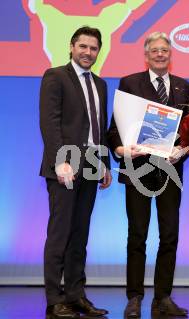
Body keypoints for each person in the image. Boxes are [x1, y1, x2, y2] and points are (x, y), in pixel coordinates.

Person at [107, 32, 189, 318]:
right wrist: (121, 149)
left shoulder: (185, 87)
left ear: (171, 55)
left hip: (171, 171)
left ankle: (163, 298)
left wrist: (180, 152)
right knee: (138, 235)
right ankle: (134, 298)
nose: (160, 54)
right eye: (155, 50)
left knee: (169, 235)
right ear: (146, 55)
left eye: (165, 51)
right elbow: (114, 130)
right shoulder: (130, 83)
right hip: (139, 169)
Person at [39, 26, 112, 319]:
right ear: (71, 47)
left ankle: (75, 294)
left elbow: (98, 130)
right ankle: (54, 299)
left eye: (94, 48)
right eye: (83, 46)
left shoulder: (101, 84)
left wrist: (104, 163)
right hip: (64, 166)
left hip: (93, 164)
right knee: (60, 234)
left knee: (80, 235)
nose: (88, 53)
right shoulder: (55, 76)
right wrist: (60, 161)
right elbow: (49, 122)